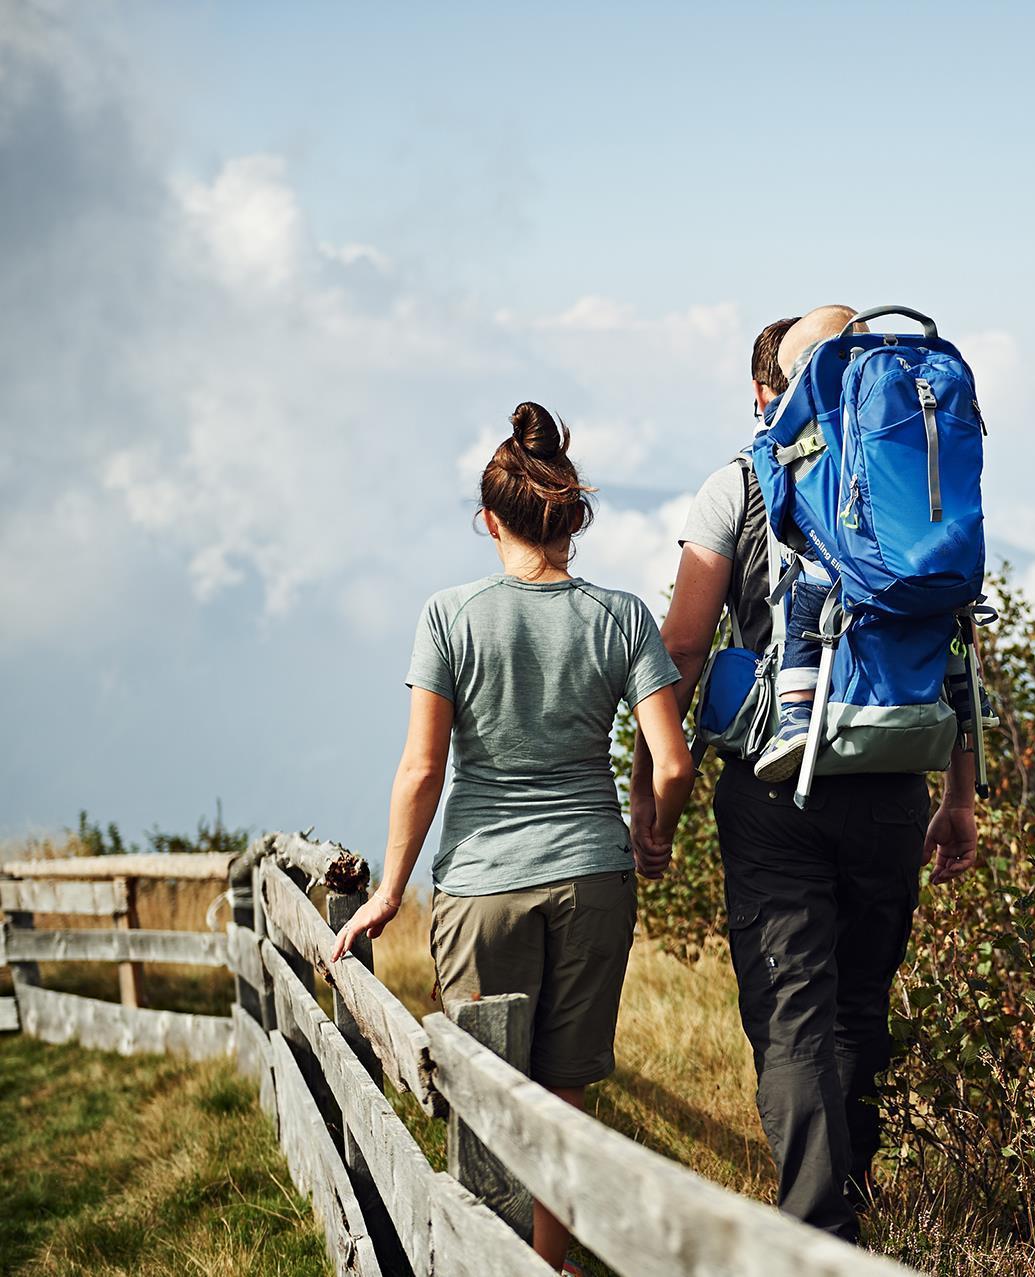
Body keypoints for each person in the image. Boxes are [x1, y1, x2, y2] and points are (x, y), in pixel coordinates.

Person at [636, 306, 982, 1243]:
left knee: (793, 1017)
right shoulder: (917, 475)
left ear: (768, 393)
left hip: (776, 782)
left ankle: (816, 1237)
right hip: (897, 776)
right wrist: (959, 794)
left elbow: (681, 643)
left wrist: (655, 783)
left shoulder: (739, 481)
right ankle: (845, 1223)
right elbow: (953, 640)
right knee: (860, 1005)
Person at [330, 402, 694, 1272]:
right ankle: (552, 1262)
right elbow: (672, 764)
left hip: (484, 882)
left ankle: (482, 1257)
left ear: (489, 519)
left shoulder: (450, 616)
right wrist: (654, 832)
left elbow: (422, 771)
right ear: (570, 515)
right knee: (563, 1089)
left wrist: (388, 891)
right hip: (593, 875)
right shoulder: (623, 617)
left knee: (487, 1086)